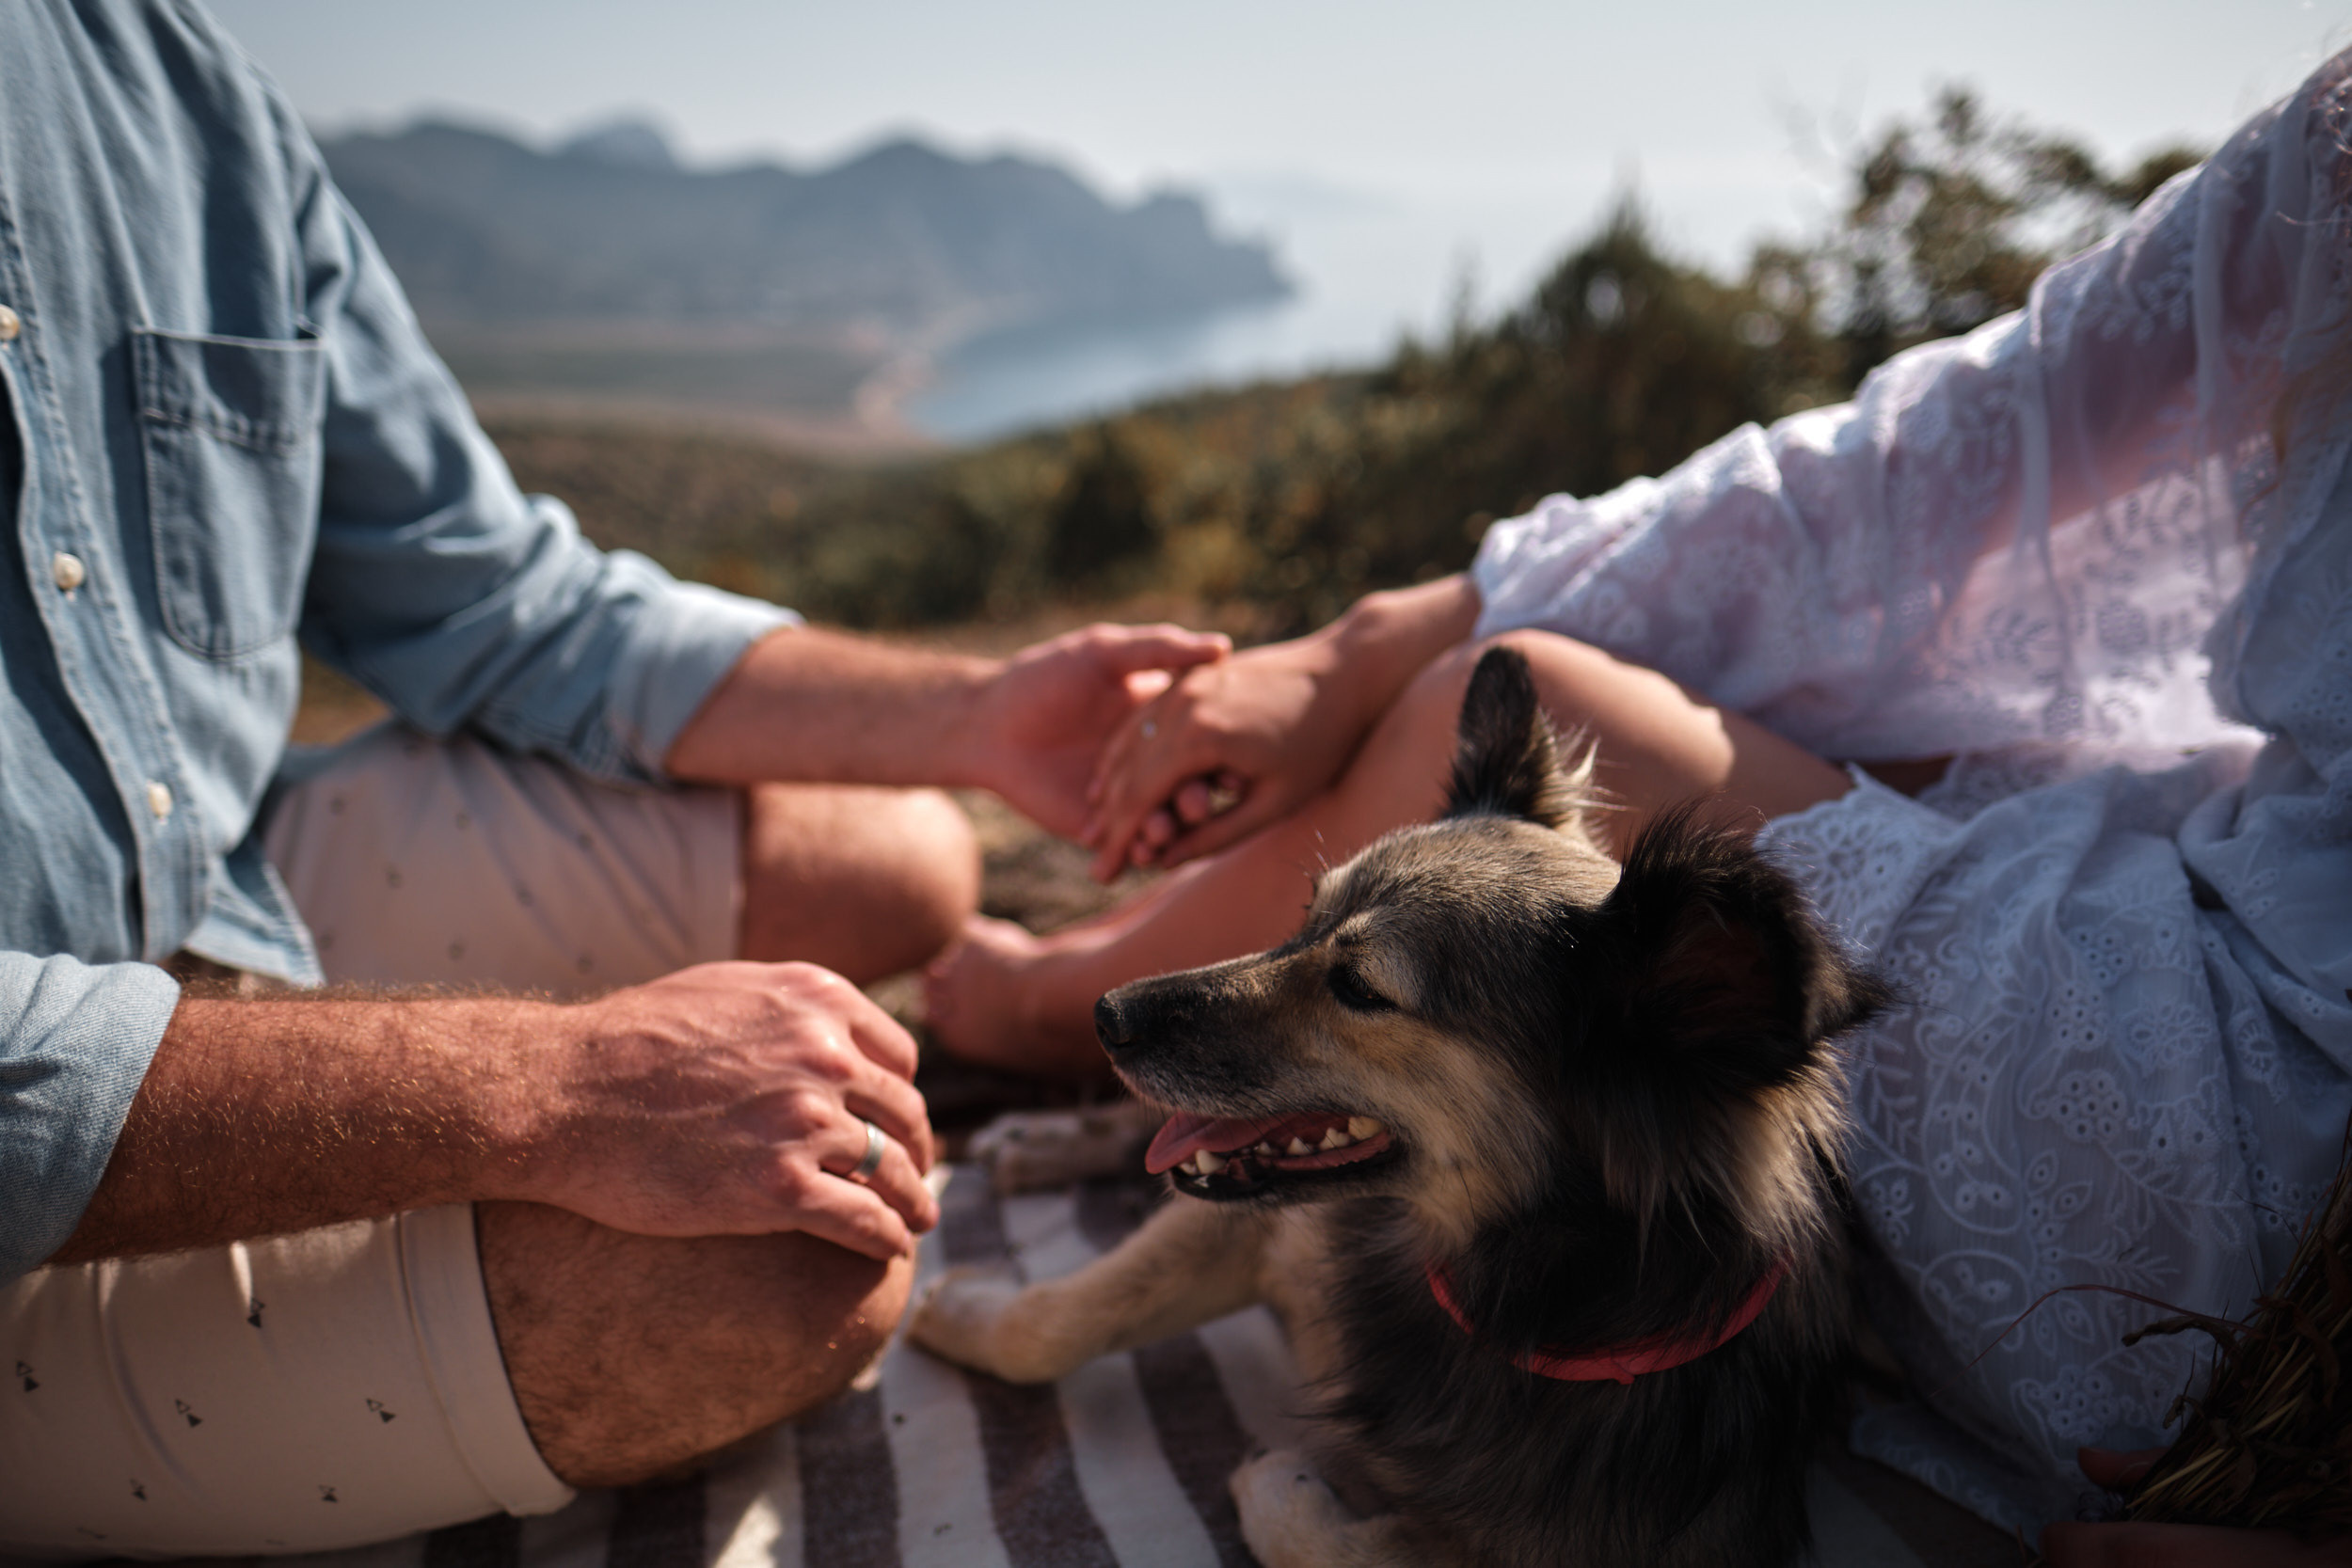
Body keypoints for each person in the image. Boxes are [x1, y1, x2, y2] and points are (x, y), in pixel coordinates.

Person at [926, 45, 2352, 1565]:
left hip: (2240, 1162)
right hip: (2255, 956)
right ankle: (1100, 1007)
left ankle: (1040, 1005)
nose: (1212, 997)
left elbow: (1926, 461)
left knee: (1551, 675)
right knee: (1892, 715)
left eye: (1352, 988)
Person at [0, 0, 1229, 1555]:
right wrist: (558, 1085)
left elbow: (501, 602)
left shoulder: (171, 85)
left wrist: (979, 716)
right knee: (785, 1270)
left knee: (896, 848)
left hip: (202, 881)